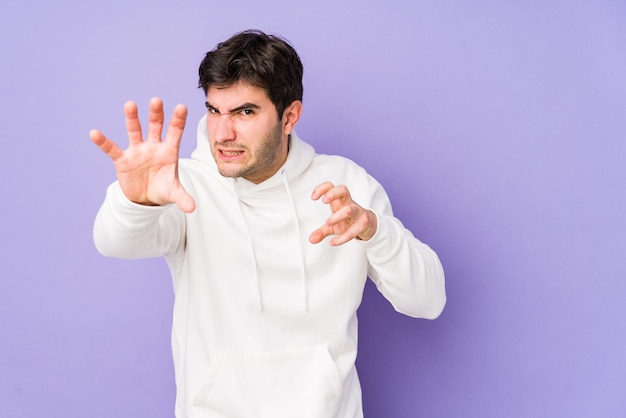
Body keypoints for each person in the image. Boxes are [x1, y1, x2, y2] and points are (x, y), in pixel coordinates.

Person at [90, 29, 446, 418]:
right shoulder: (185, 186)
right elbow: (114, 243)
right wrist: (136, 200)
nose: (223, 133)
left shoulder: (347, 186)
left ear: (289, 115)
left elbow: (427, 301)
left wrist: (375, 231)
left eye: (245, 112)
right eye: (214, 111)